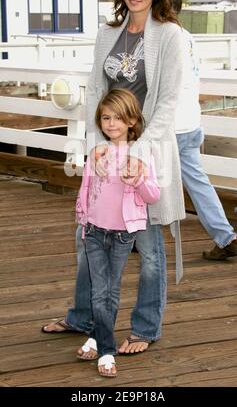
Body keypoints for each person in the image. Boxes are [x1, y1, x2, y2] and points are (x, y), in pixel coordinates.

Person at [42, 0, 185, 355]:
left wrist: (138, 151)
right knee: (88, 236)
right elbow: (94, 92)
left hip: (147, 152)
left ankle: (145, 327)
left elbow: (167, 102)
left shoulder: (169, 35)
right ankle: (82, 316)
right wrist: (95, 143)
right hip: (107, 151)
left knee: (150, 247)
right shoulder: (109, 34)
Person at [75, 88, 160, 377]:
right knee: (100, 292)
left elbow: (153, 195)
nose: (111, 124)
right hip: (95, 231)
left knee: (109, 292)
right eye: (105, 117)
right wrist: (83, 221)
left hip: (123, 234)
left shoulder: (141, 153)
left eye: (118, 118)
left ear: (133, 121)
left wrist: (137, 180)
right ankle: (107, 351)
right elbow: (86, 189)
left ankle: (95, 338)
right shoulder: (97, 152)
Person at [170, 0, 237, 261]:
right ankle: (226, 237)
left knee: (144, 179)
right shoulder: (187, 37)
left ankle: (138, 236)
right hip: (189, 120)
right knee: (198, 183)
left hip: (168, 124)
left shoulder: (164, 38)